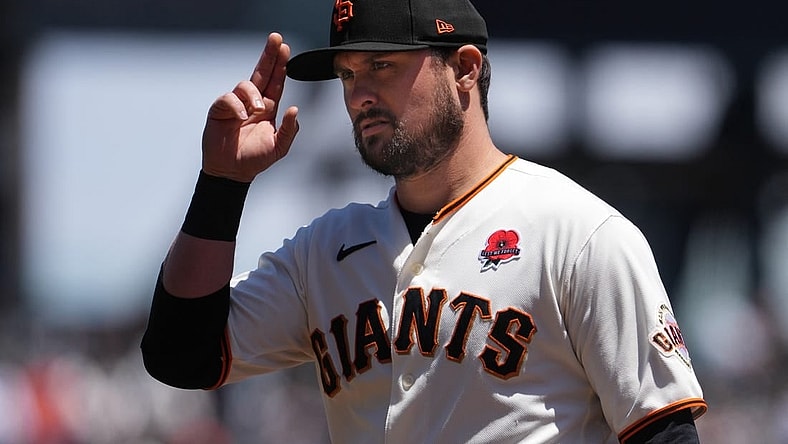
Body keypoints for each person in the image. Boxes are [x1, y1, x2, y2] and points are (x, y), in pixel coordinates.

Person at [140, 0, 708, 442]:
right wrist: (222, 184)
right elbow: (180, 354)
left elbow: (666, 434)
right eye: (346, 75)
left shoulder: (581, 236)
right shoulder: (325, 250)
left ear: (464, 68)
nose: (359, 95)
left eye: (381, 66)